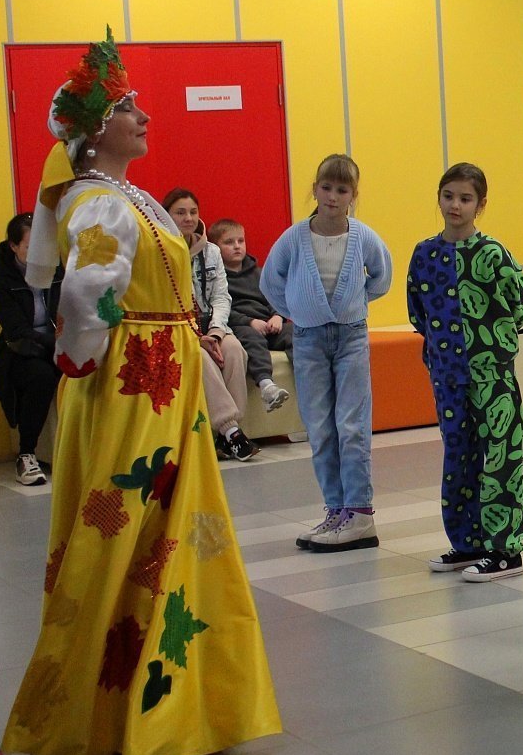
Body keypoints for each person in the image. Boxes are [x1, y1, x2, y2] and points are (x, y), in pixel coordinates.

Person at [3, 30, 281, 755]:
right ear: (98, 130)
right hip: (137, 384)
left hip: (158, 377)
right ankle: (123, 702)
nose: (144, 117)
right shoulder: (99, 201)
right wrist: (85, 358)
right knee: (128, 520)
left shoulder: (125, 196)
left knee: (166, 524)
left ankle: (170, 699)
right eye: (130, 108)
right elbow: (87, 290)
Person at [406, 163, 523, 581]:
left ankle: (506, 549)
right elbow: (417, 312)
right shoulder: (424, 254)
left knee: (500, 456)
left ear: (481, 204)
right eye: (449, 196)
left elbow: (521, 305)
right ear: (439, 198)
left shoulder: (492, 253)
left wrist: (491, 342)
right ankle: (468, 542)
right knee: (459, 457)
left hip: (492, 375)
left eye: (465, 198)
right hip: (447, 376)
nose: (455, 205)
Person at [262, 153, 393, 552]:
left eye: (342, 190)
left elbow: (381, 277)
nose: (333, 196)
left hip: (351, 337)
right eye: (326, 188)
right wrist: (299, 309)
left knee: (351, 426)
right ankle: (336, 510)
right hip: (308, 340)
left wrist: (354, 302)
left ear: (353, 195)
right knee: (320, 428)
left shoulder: (363, 237)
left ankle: (359, 512)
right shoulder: (294, 238)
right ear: (315, 190)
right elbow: (271, 282)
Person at [162, 188, 257, 461]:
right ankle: (231, 430)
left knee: (235, 351)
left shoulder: (212, 251)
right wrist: (196, 336)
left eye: (193, 212)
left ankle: (229, 438)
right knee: (201, 358)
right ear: (167, 215)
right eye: (180, 212)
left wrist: (215, 333)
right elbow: (166, 302)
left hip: (212, 324)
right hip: (180, 328)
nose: (188, 218)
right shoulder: (161, 251)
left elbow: (221, 297)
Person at [0, 212, 63, 486]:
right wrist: (56, 343)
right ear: (13, 246)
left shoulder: (58, 273)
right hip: (23, 350)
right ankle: (27, 454)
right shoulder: (2, 284)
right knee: (41, 377)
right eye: (29, 247)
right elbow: (17, 330)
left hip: (60, 343)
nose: (37, 255)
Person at [211, 217, 292, 413]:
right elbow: (221, 309)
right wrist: (250, 321)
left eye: (240, 241)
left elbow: (275, 298)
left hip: (269, 324)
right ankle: (266, 385)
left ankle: (308, 378)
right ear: (215, 248)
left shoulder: (260, 273)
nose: (237, 246)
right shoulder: (217, 278)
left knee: (296, 332)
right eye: (229, 242)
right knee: (251, 338)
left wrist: (277, 316)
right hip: (241, 326)